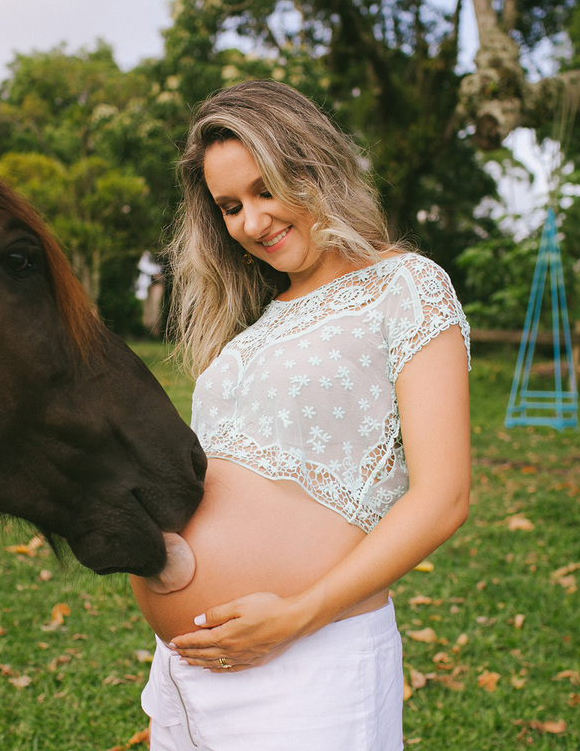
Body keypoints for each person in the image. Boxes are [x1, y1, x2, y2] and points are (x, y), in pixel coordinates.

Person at [129, 79, 471, 750]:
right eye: (230, 207)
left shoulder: (405, 286)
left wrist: (296, 616)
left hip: (311, 660)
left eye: (266, 190)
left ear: (313, 167)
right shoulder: (251, 323)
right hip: (186, 673)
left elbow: (444, 498)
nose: (252, 223)